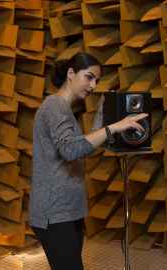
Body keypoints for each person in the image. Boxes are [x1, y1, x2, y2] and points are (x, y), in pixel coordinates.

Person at [29, 52, 147, 270]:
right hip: (54, 214)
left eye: (97, 80)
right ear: (71, 73)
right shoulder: (54, 106)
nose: (93, 85)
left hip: (68, 211)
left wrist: (102, 114)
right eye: (89, 77)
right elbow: (71, 150)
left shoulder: (65, 110)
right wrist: (115, 127)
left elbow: (83, 149)